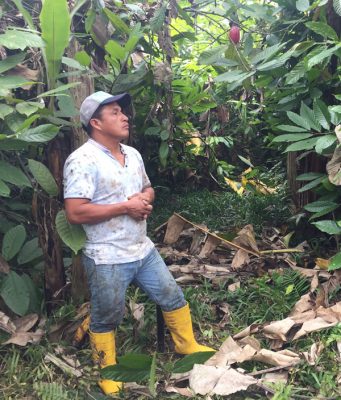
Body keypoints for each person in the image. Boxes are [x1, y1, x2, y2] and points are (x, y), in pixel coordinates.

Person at [63, 91, 214, 395]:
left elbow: (147, 188)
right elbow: (75, 212)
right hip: (107, 255)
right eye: (115, 112)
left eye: (123, 111)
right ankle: (108, 369)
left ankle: (186, 344)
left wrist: (145, 198)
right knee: (108, 315)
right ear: (96, 122)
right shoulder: (82, 160)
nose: (125, 117)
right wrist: (124, 207)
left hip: (141, 248)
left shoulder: (132, 154)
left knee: (172, 295)